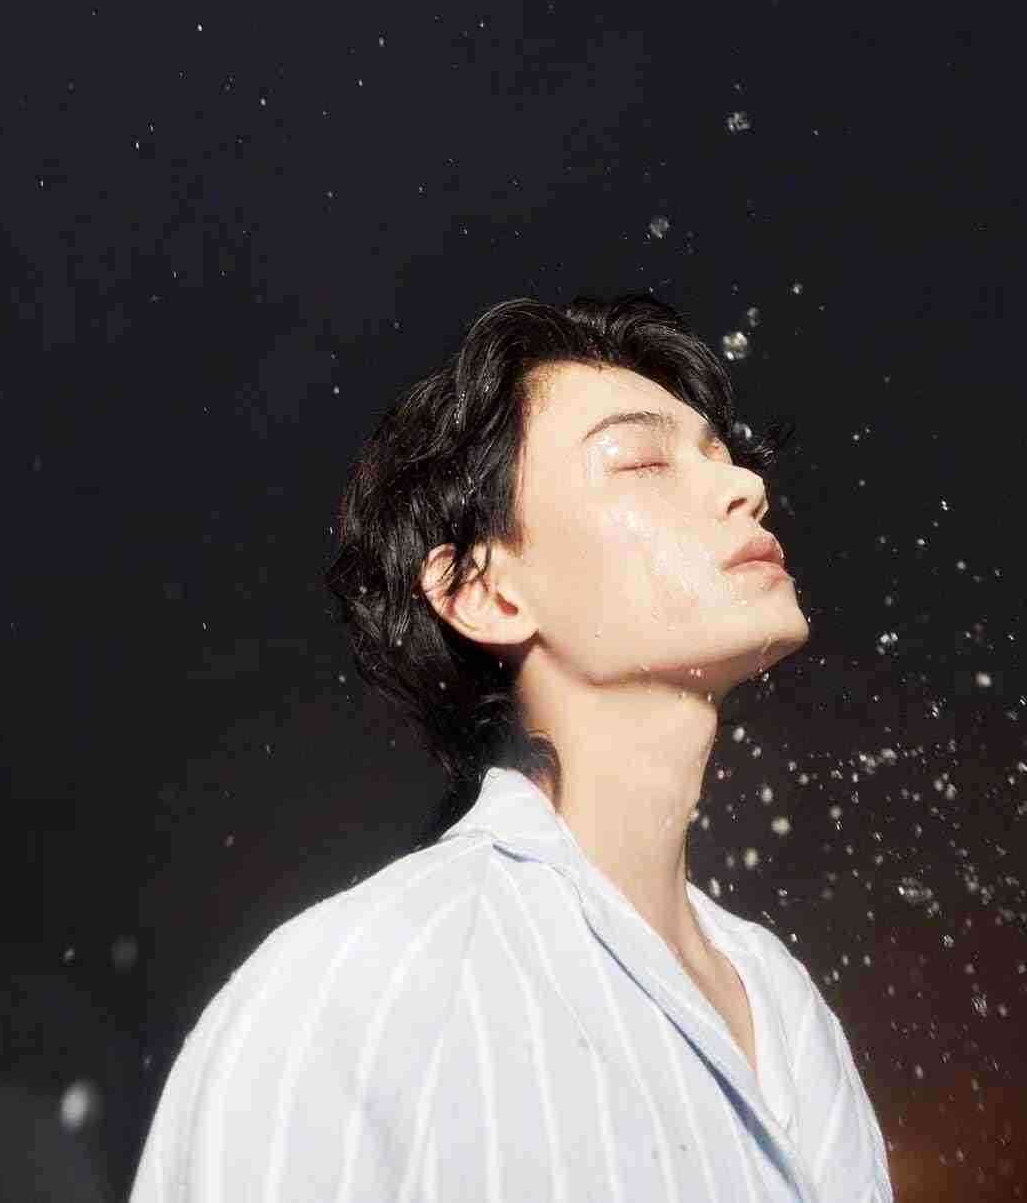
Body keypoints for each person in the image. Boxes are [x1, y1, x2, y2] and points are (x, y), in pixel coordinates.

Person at [128, 291, 893, 1202]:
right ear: (483, 593)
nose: (744, 489)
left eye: (724, 458)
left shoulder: (788, 1010)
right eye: (642, 460)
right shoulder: (363, 988)